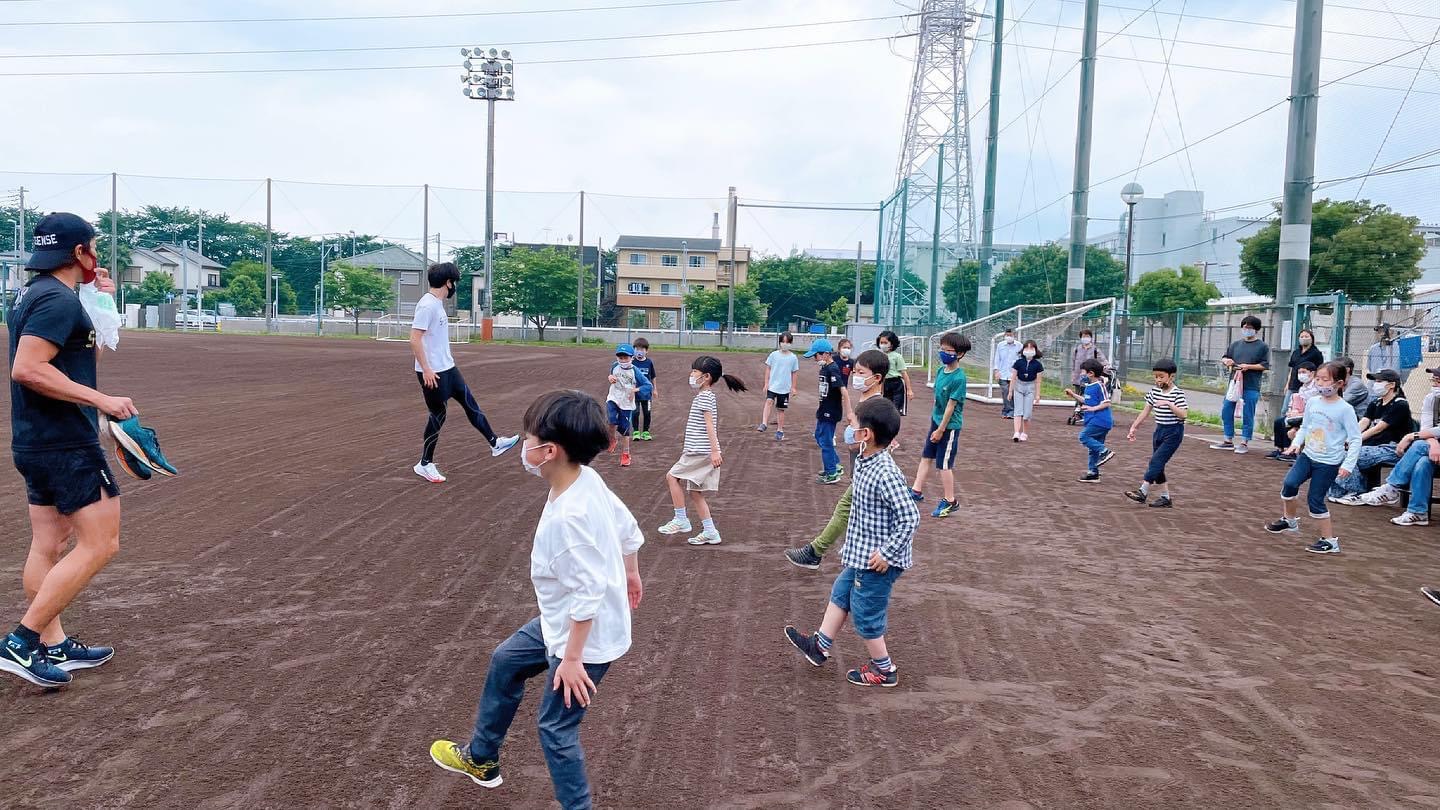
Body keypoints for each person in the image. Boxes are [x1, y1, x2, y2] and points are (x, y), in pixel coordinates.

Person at [428, 390, 643, 810]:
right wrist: (632, 571)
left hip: (585, 639)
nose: (522, 446)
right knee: (507, 660)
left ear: (548, 452)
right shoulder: (584, 478)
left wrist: (574, 659)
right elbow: (627, 526)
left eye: (527, 438)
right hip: (561, 621)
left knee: (556, 729)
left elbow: (588, 592)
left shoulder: (569, 519)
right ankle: (482, 757)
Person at [1, 213, 139, 689]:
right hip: (65, 444)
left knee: (50, 544)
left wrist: (97, 299)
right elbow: (29, 368)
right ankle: (22, 641)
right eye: (93, 247)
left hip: (37, 440)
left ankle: (53, 643)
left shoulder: (36, 294)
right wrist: (102, 401)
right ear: (79, 252)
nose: (96, 256)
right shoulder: (56, 300)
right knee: (102, 543)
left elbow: (79, 356)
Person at [784, 397, 920, 688]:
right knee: (841, 592)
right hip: (862, 555)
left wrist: (886, 553)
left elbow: (910, 516)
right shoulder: (864, 460)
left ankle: (884, 669)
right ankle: (820, 646)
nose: (849, 426)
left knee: (865, 613)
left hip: (878, 561)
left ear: (866, 434)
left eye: (853, 424)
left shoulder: (884, 473)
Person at [411, 262, 518, 484]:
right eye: (454, 282)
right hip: (433, 373)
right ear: (448, 282)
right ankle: (425, 464)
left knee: (471, 404)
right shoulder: (427, 306)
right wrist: (427, 370)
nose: (454, 286)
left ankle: (494, 443)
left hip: (448, 368)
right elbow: (415, 339)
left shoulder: (437, 304)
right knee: (438, 416)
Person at [785, 350, 889, 570]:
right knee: (855, 511)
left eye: (861, 372)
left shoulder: (875, 405)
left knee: (848, 508)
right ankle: (842, 551)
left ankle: (818, 551)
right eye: (855, 371)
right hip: (862, 467)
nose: (855, 376)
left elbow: (858, 441)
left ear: (877, 377)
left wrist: (852, 429)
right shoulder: (868, 400)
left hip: (868, 468)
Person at [1265, 361, 1361, 554]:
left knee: (1315, 500)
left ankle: (1329, 541)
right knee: (1289, 484)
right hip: (1308, 455)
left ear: (1339, 383)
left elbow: (1355, 439)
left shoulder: (1345, 409)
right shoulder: (1313, 402)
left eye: (1325, 380)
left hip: (1328, 463)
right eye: (1318, 378)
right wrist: (1295, 444)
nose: (1320, 383)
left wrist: (1348, 465)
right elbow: (1306, 427)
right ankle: (1289, 520)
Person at [659, 356, 748, 546]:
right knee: (695, 492)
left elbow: (710, 425)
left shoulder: (705, 397)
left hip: (698, 451)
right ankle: (710, 532)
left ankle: (681, 519)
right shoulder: (705, 396)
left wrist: (715, 451)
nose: (691, 375)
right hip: (701, 451)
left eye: (694, 372)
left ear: (706, 377)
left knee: (672, 477)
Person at [1327, 369, 1411, 505]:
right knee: (1336, 452)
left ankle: (1357, 492)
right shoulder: (1376, 402)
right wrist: (1349, 438)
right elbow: (1364, 422)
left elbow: (1378, 428)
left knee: (1351, 455)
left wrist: (1355, 442)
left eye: (1379, 381)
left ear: (1391, 385)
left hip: (1392, 448)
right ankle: (1342, 491)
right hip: (1372, 446)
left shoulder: (1400, 404)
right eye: (1375, 381)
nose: (1375, 384)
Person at [908, 333, 969, 518]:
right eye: (942, 349)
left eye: (947, 350)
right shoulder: (942, 371)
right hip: (937, 420)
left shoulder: (959, 378)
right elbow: (938, 399)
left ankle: (950, 501)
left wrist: (941, 429)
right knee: (926, 456)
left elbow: (951, 406)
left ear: (959, 354)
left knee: (943, 464)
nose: (943, 353)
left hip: (948, 426)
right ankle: (916, 490)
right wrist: (935, 423)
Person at [1124, 359, 1189, 508]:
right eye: (1156, 376)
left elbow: (1183, 414)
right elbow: (1146, 411)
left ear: (1171, 377)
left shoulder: (1178, 393)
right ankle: (1166, 498)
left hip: (1174, 432)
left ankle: (1143, 491)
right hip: (1159, 430)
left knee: (1156, 461)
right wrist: (1134, 427)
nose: (1158, 380)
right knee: (1158, 464)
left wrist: (1169, 404)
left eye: (1161, 376)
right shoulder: (1154, 391)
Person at [1211, 315, 1270, 454]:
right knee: (1226, 410)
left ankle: (1244, 442)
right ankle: (1228, 440)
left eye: (1250, 327)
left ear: (1256, 329)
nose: (1247, 329)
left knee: (1248, 413)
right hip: (1234, 384)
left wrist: (1248, 366)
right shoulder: (1235, 344)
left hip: (1251, 385)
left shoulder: (1262, 346)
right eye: (1244, 327)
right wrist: (1226, 361)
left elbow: (1264, 365)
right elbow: (1225, 357)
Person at [1358, 427, 1440, 527]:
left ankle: (1392, 488)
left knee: (1419, 445)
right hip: (1434, 453)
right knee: (1423, 463)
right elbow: (1425, 431)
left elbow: (1424, 434)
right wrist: (1433, 443)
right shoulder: (1430, 410)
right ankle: (1418, 512)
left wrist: (1410, 436)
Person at [1067, 358, 1115, 483]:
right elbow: (1086, 400)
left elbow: (1107, 403)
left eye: (1083, 371)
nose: (1081, 374)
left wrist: (1093, 408)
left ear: (1091, 373)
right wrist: (1073, 394)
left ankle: (1105, 451)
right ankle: (1093, 473)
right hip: (1094, 420)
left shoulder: (1100, 385)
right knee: (1092, 448)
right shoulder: (1089, 386)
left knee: (1083, 437)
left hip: (1100, 421)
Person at [805, 339, 846, 485]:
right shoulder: (824, 368)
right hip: (824, 409)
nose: (814, 359)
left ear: (826, 354)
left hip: (831, 411)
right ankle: (835, 465)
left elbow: (843, 391)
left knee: (825, 441)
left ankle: (831, 472)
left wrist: (850, 412)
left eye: (816, 355)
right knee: (819, 436)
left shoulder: (833, 369)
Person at [1266, 360, 1318, 460]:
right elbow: (1295, 403)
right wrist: (1291, 411)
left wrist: (1300, 413)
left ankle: (1289, 450)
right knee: (1279, 421)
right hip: (1298, 414)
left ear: (1312, 373)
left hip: (1309, 415)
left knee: (1287, 424)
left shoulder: (1316, 387)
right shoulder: (1302, 387)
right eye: (1299, 372)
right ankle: (1280, 448)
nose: (1301, 375)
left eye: (1304, 372)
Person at [757, 332, 799, 441]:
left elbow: (794, 373)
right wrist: (766, 383)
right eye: (783, 342)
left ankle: (780, 430)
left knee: (781, 409)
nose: (785, 344)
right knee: (769, 401)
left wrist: (793, 387)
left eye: (787, 342)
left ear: (790, 343)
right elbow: (768, 369)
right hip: (773, 386)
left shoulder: (793, 358)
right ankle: (764, 423)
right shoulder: (773, 355)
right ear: (779, 342)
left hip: (784, 388)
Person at [606, 343, 643, 468]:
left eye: (626, 358)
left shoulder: (635, 371)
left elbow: (647, 385)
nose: (623, 360)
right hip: (613, 397)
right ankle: (612, 439)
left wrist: (635, 390)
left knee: (625, 430)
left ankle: (626, 454)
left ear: (632, 358)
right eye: (620, 357)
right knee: (611, 419)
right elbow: (611, 375)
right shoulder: (614, 365)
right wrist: (610, 377)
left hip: (626, 402)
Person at [1010, 339, 1043, 442]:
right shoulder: (1018, 362)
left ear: (1035, 350)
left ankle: (1024, 432)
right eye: (1026, 348)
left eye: (1031, 348)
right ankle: (1016, 432)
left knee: (1027, 413)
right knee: (1018, 411)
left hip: (1030, 388)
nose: (1029, 350)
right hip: (1019, 387)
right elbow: (1013, 378)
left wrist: (1037, 395)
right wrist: (1010, 391)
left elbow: (1038, 382)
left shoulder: (1038, 365)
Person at [877, 330, 912, 417]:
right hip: (886, 384)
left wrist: (909, 390)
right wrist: (880, 388)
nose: (883, 345)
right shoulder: (880, 356)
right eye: (881, 342)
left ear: (891, 344)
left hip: (897, 384)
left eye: (885, 342)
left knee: (896, 409)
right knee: (886, 407)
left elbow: (904, 373)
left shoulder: (897, 356)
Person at [1070, 329, 1108, 401]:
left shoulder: (1095, 350)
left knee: (1089, 397)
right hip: (1078, 378)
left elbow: (1103, 361)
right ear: (1081, 338)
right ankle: (1078, 409)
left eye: (1087, 336)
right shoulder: (1077, 349)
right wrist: (1073, 375)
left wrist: (1107, 369)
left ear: (1090, 338)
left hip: (1091, 379)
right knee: (1078, 397)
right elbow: (1073, 363)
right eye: (1083, 336)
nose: (1085, 338)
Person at [630, 337, 656, 442]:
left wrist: (655, 389)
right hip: (635, 393)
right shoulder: (631, 362)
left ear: (647, 351)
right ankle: (636, 431)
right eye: (637, 349)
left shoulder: (649, 362)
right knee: (635, 412)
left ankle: (645, 431)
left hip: (646, 394)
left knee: (647, 412)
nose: (639, 352)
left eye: (642, 349)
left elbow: (653, 376)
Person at [993, 328, 1021, 418]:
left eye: (1011, 335)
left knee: (1012, 392)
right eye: (1007, 335)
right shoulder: (1000, 345)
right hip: (1003, 373)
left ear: (1014, 336)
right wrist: (996, 370)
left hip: (1014, 374)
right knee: (1005, 392)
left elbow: (1021, 360)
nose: (1009, 337)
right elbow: (997, 358)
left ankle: (1009, 411)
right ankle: (1009, 411)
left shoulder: (1019, 346)